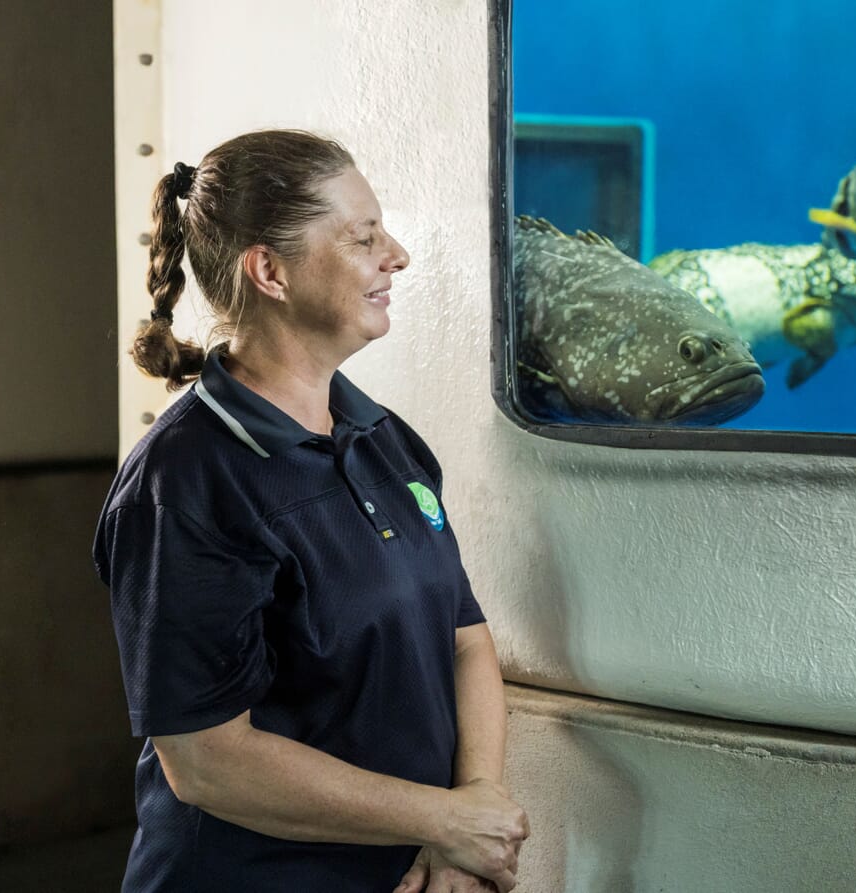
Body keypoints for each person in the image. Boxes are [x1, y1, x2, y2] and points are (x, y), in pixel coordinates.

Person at [93, 129, 529, 892]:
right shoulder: (182, 484)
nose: (396, 254)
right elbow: (206, 761)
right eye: (364, 237)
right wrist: (443, 820)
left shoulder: (384, 439)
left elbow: (463, 639)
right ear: (270, 270)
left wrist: (468, 814)